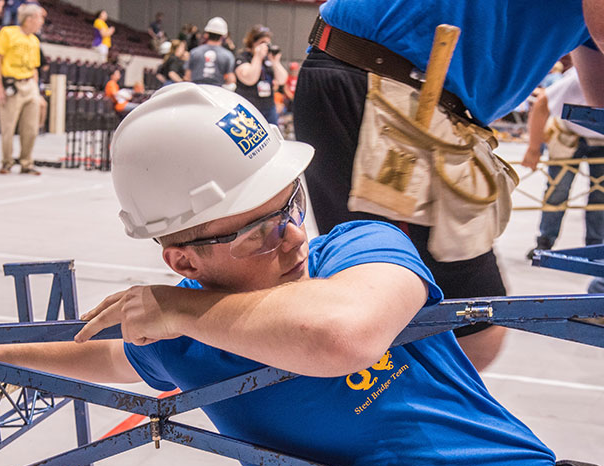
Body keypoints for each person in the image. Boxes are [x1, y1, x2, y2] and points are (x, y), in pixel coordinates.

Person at [0, 84, 603, 466]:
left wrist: (179, 311)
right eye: (260, 229)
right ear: (183, 257)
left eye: (291, 204)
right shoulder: (186, 336)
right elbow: (104, 355)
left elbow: (341, 336)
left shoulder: (361, 251)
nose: (296, 234)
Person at [294, 0, 601, 372]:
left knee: (458, 324)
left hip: (397, 87)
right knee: (435, 316)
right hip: (388, 87)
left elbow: (598, 95)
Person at [522, 67, 604, 259]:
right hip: (569, 134)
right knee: (557, 190)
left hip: (601, 140)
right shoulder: (579, 79)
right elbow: (542, 104)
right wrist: (534, 148)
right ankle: (545, 242)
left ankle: (595, 248)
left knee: (600, 196)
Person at [0, 2, 44, 175]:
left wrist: (37, 92)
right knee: (8, 127)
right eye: (39, 18)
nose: (41, 22)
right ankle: (7, 162)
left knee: (31, 128)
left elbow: (35, 68)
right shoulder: (8, 33)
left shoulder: (35, 41)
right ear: (29, 19)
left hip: (30, 85)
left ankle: (26, 163)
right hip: (11, 85)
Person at [234, 25, 288, 125]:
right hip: (248, 108)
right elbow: (250, 79)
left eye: (267, 43)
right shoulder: (242, 58)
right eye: (262, 43)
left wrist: (275, 61)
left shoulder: (267, 59)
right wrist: (257, 57)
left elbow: (282, 80)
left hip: (268, 107)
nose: (265, 46)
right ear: (252, 43)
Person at [185, 17, 235, 87]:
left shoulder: (194, 52)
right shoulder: (227, 55)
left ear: (206, 34)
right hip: (217, 93)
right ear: (223, 36)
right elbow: (231, 80)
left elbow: (187, 77)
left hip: (196, 92)